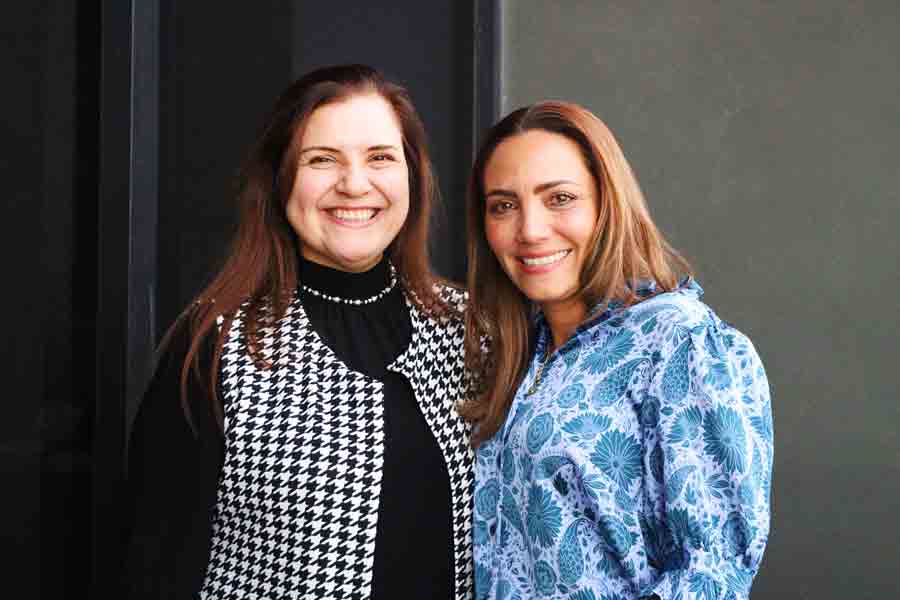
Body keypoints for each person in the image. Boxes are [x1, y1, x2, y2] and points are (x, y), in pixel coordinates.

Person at [122, 64, 474, 599]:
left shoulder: (470, 329)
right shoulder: (219, 344)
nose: (355, 184)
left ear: (413, 175)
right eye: (322, 159)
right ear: (281, 179)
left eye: (380, 157)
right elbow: (157, 562)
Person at [461, 101, 773, 599]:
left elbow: (713, 572)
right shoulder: (511, 351)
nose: (531, 230)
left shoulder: (680, 343)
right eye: (504, 205)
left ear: (608, 203)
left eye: (559, 198)